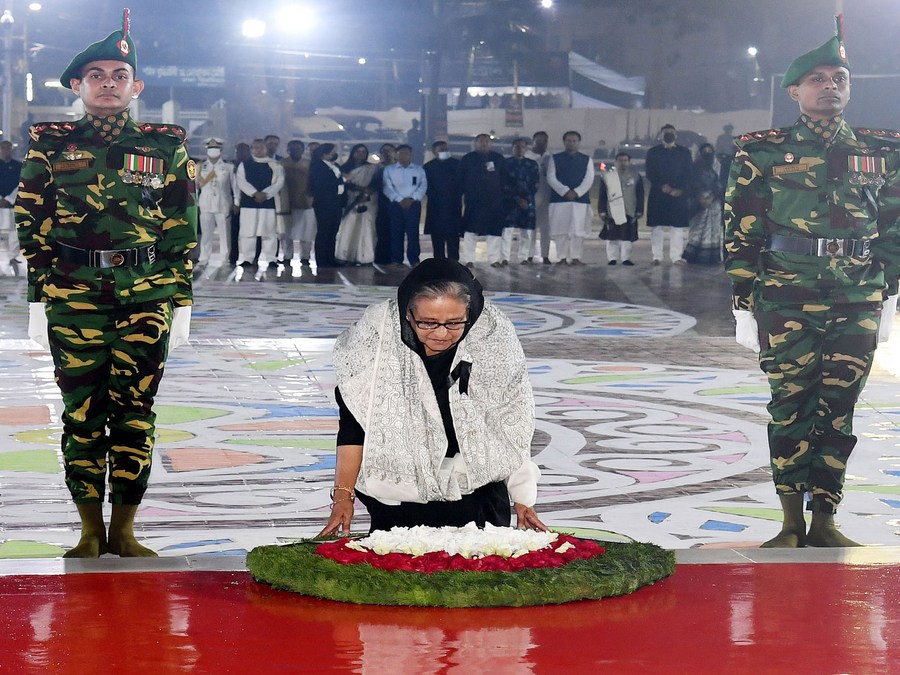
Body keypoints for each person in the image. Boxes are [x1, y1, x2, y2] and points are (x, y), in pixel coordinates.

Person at [15, 10, 197, 557]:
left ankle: (125, 529)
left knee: (136, 412)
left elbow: (182, 225)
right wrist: (37, 297)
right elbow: (30, 220)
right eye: (96, 75)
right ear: (78, 86)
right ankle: (89, 529)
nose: (108, 84)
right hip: (73, 296)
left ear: (136, 87)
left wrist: (181, 301)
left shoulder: (165, 146)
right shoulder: (51, 144)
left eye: (120, 75)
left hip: (147, 294)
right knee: (82, 414)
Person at [725, 15, 900, 548]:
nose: (830, 86)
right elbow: (742, 226)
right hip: (786, 294)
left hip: (857, 296)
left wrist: (887, 287)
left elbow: (894, 223)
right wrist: (743, 299)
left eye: (839, 78)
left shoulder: (882, 148)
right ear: (795, 91)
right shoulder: (762, 150)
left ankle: (825, 519)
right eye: (818, 79)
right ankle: (789, 522)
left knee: (839, 408)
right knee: (789, 405)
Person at [320, 258, 546, 535]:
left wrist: (523, 497)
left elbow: (510, 424)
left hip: (478, 496)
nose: (441, 333)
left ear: (471, 313)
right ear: (407, 313)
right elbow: (354, 428)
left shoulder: (492, 342)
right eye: (427, 322)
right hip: (400, 498)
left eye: (454, 323)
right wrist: (343, 496)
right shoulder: (374, 345)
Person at [646, 123, 693, 264]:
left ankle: (676, 256)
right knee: (657, 227)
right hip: (658, 193)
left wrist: (680, 189)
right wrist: (662, 186)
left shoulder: (684, 152)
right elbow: (649, 172)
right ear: (660, 135)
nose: (669, 135)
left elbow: (688, 173)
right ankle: (657, 256)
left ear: (676, 135)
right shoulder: (653, 152)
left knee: (677, 227)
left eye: (671, 132)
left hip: (678, 194)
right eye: (666, 132)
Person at [235, 138, 285, 268]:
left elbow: (279, 182)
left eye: (261, 147)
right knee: (248, 232)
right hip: (249, 203)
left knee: (269, 232)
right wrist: (254, 193)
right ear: (252, 149)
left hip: (268, 203)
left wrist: (266, 194)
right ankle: (247, 258)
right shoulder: (244, 165)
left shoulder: (275, 165)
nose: (258, 150)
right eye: (256, 148)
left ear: (266, 149)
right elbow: (241, 181)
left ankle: (271, 259)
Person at [547, 130, 594, 265]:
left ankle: (576, 257)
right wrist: (565, 191)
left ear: (579, 142)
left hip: (580, 201)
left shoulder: (587, 159)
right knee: (560, 230)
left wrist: (577, 192)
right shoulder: (555, 158)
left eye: (574, 141)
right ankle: (561, 257)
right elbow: (551, 177)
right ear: (564, 142)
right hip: (559, 200)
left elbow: (589, 179)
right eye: (569, 140)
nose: (571, 143)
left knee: (578, 230)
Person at [459, 134, 507, 267]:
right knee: (471, 230)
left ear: (491, 144)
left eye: (487, 141)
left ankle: (494, 259)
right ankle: (469, 259)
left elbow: (504, 178)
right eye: (481, 141)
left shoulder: (498, 158)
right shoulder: (468, 159)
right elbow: (461, 179)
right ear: (475, 143)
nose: (484, 144)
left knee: (494, 230)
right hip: (474, 201)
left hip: (494, 200)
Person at [382, 144, 427, 267]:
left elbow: (423, 186)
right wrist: (400, 200)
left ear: (410, 154)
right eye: (401, 153)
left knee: (413, 233)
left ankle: (414, 259)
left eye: (406, 153)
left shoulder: (418, 170)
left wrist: (413, 199)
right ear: (396, 155)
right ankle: (397, 259)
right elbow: (387, 187)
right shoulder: (389, 170)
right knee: (396, 232)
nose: (404, 156)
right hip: (395, 205)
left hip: (414, 205)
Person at [335, 143, 378, 265]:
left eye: (363, 152)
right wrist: (359, 190)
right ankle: (346, 256)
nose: (360, 154)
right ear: (353, 153)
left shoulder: (372, 168)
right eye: (358, 151)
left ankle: (365, 257)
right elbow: (343, 183)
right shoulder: (345, 167)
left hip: (368, 201)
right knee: (349, 227)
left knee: (366, 227)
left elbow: (376, 183)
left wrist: (366, 193)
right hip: (351, 199)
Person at [599, 151, 644, 266]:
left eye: (625, 160)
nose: (622, 163)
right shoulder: (608, 177)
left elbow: (640, 194)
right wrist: (602, 211)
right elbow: (602, 195)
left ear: (629, 162)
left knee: (627, 236)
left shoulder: (636, 176)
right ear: (615, 162)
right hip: (612, 211)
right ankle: (612, 258)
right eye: (620, 160)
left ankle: (626, 258)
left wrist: (640, 210)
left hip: (629, 210)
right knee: (612, 236)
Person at [196, 138, 233, 268]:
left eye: (216, 148)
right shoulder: (200, 166)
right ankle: (204, 257)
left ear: (221, 150)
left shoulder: (228, 167)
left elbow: (234, 186)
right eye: (211, 149)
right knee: (206, 234)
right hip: (205, 204)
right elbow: (196, 187)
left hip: (223, 203)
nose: (213, 151)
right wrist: (196, 203)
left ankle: (225, 258)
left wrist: (236, 202)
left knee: (225, 233)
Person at [278, 139, 316, 265]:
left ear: (303, 150)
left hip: (306, 201)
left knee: (306, 231)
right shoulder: (281, 163)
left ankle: (305, 256)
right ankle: (287, 256)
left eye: (298, 149)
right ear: (288, 150)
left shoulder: (310, 164)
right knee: (286, 232)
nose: (295, 151)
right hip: (286, 201)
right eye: (292, 149)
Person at [502, 138, 540, 266]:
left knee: (527, 232)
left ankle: (523, 257)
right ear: (512, 148)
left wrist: (526, 200)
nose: (519, 149)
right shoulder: (505, 164)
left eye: (522, 147)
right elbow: (504, 183)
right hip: (510, 202)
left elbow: (535, 184)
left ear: (526, 149)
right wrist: (517, 199)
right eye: (517, 146)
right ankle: (504, 257)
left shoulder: (532, 164)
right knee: (507, 231)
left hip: (527, 203)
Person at [423, 140, 463, 260]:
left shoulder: (457, 164)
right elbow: (425, 186)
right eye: (441, 150)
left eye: (446, 149)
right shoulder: (428, 167)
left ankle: (454, 262)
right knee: (437, 236)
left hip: (453, 205)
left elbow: (462, 183)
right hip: (436, 206)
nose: (444, 151)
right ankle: (439, 262)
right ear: (434, 152)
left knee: (453, 236)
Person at [308, 143, 346, 268]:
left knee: (333, 231)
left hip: (336, 201)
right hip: (324, 202)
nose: (335, 154)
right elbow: (322, 184)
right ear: (325, 153)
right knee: (324, 231)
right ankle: (321, 259)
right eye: (332, 152)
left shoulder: (335, 166)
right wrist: (343, 180)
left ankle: (330, 257)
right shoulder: (318, 166)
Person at [525, 131, 552, 264]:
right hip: (532, 196)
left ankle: (545, 255)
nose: (541, 143)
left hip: (547, 195)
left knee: (546, 227)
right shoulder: (527, 157)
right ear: (533, 142)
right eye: (538, 141)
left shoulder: (550, 157)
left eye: (544, 141)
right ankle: (529, 255)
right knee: (531, 227)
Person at [682, 190, 722, 265]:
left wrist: (713, 196)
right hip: (696, 201)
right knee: (697, 230)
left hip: (715, 201)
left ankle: (711, 257)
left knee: (714, 231)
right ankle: (693, 256)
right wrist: (701, 197)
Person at [0, 140, 23, 268]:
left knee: (14, 231)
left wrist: (9, 199)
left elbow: (21, 184)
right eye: (3, 148)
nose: (5, 151)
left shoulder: (18, 166)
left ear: (11, 149)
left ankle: (13, 257)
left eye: (8, 148)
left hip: (13, 203)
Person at [373, 143, 396, 265]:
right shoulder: (376, 169)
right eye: (384, 151)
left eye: (390, 150)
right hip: (381, 204)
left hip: (396, 204)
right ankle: (381, 257)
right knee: (381, 231)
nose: (387, 153)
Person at [228, 142, 250, 266]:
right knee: (234, 232)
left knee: (249, 232)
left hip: (249, 202)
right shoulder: (231, 165)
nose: (241, 153)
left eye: (244, 150)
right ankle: (233, 257)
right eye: (238, 151)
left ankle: (250, 258)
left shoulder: (251, 165)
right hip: (233, 203)